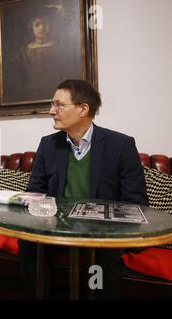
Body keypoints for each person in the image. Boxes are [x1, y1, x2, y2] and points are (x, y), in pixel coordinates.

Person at [18, 79, 148, 299]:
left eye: (59, 105)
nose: (52, 111)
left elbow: (136, 203)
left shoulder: (121, 145)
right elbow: (35, 193)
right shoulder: (48, 145)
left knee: (104, 257)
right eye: (52, 105)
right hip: (56, 231)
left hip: (100, 235)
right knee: (27, 243)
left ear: (83, 109)